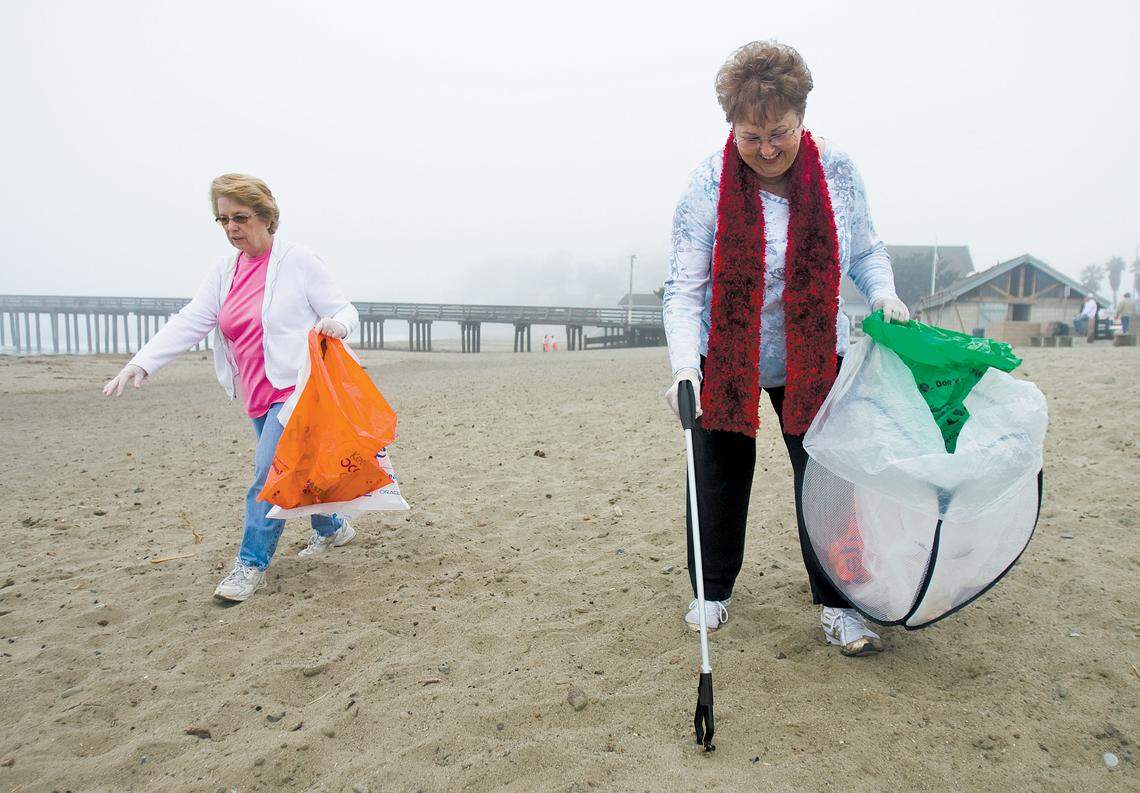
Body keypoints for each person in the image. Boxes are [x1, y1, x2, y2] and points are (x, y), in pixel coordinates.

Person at [662, 41, 908, 656]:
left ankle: (837, 605)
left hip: (815, 355)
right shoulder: (705, 185)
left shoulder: (839, 171)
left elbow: (867, 251)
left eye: (780, 133)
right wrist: (684, 368)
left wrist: (883, 294)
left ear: (801, 118)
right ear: (731, 127)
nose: (767, 149)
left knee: (826, 478)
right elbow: (685, 290)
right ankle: (712, 590)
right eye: (752, 136)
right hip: (729, 356)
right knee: (717, 476)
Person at [102, 174, 361, 602]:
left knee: (268, 474)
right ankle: (334, 527)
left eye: (240, 217)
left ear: (265, 216)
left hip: (299, 390)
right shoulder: (225, 272)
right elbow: (191, 320)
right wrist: (142, 362)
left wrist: (338, 325)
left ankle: (251, 564)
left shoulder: (298, 261)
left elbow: (343, 308)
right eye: (222, 220)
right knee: (299, 469)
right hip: (257, 392)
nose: (231, 228)